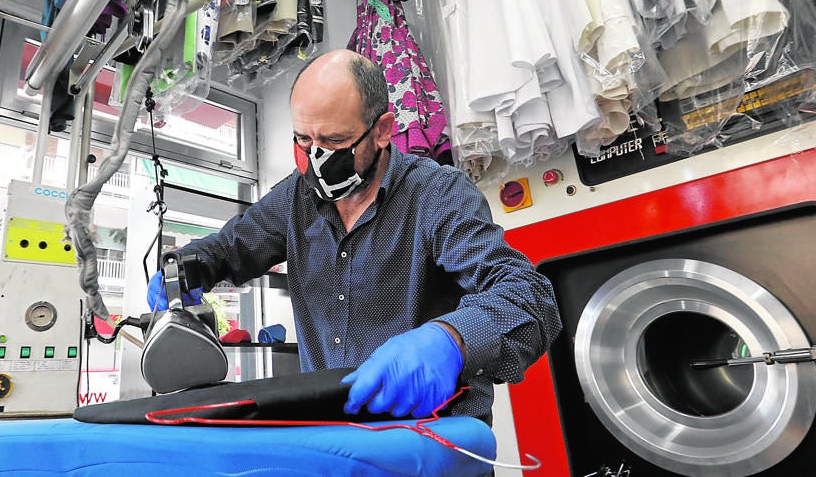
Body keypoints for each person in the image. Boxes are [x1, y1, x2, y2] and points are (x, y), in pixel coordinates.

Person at [147, 49, 561, 423]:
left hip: (432, 445)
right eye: (303, 140)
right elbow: (229, 248)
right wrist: (186, 269)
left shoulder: (438, 196)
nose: (316, 157)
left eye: (335, 141)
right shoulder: (295, 198)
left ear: (382, 130)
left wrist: (451, 341)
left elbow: (530, 296)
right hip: (338, 441)